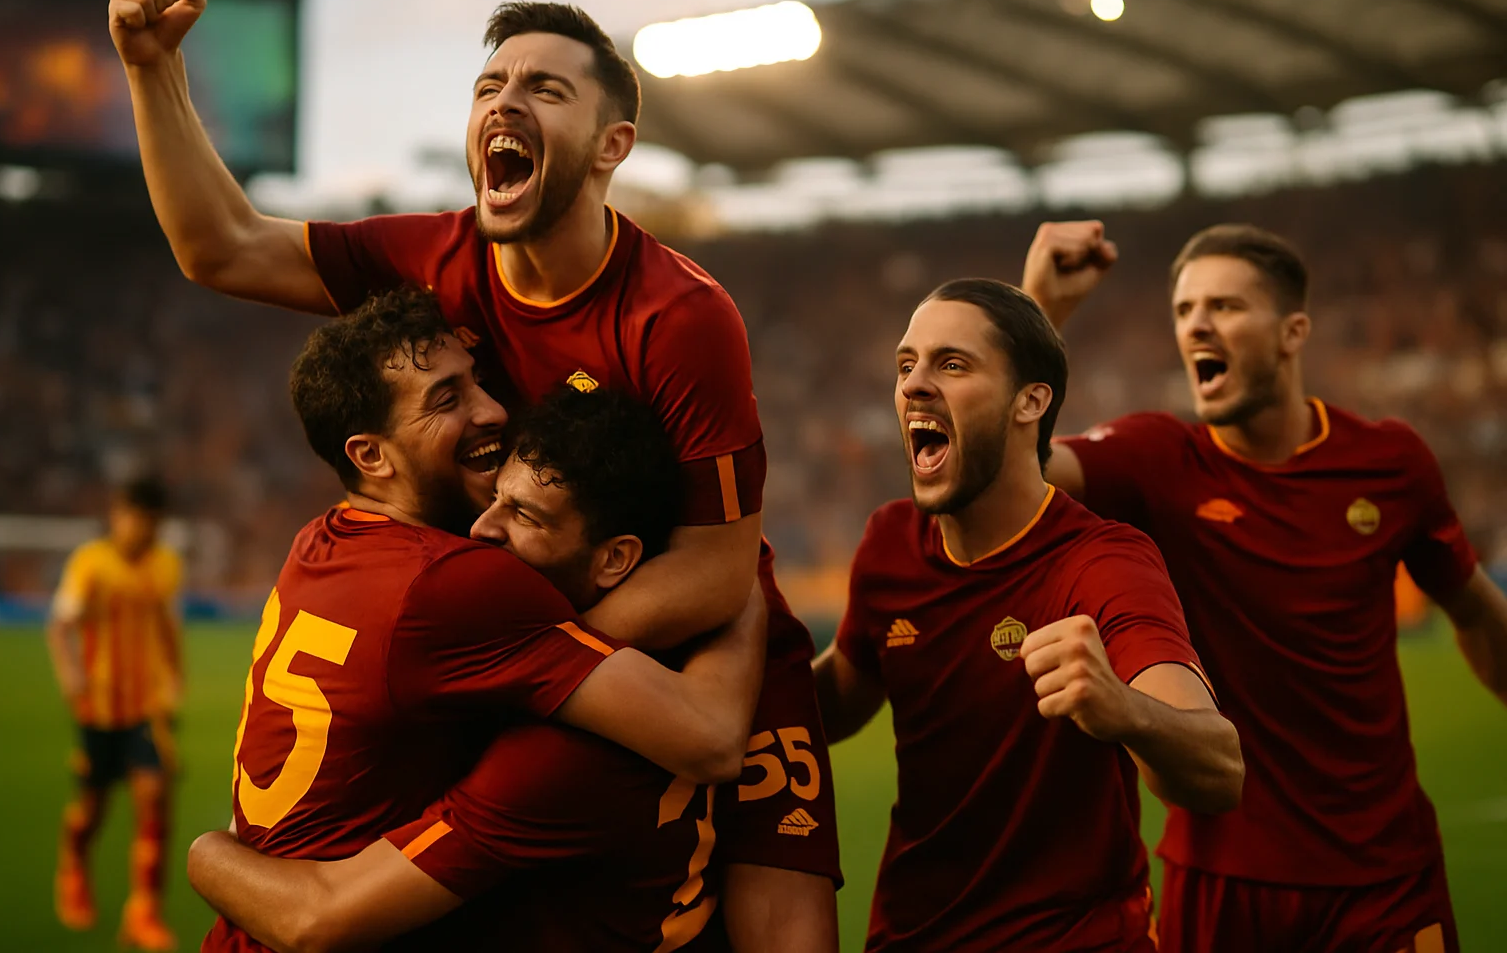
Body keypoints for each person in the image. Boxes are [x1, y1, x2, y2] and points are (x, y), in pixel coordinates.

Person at [111, 0, 838, 948]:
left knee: (777, 930)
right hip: (537, 657)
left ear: (611, 145)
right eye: (490, 86)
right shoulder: (432, 256)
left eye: (545, 88)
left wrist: (533, 659)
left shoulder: (682, 316)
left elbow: (716, 572)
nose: (506, 101)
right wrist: (154, 69)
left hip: (701, 649)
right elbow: (222, 246)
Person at [203, 289, 766, 952]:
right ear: (370, 456)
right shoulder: (457, 582)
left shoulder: (318, 544)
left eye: (477, 381)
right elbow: (707, 735)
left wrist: (212, 853)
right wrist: (738, 574)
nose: (493, 410)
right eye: (446, 400)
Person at [1024, 221, 1507, 953]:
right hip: (1220, 884)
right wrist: (1037, 310)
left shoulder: (1390, 462)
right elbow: (1011, 473)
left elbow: (1471, 606)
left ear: (1293, 332)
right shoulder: (1159, 459)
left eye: (1224, 306)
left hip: (1385, 881)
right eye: (1184, 310)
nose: (1196, 326)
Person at [812, 279, 1243, 952]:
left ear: (1030, 402)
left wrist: (1122, 709)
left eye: (951, 365)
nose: (915, 384)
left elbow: (1220, 768)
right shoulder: (889, 543)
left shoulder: (1100, 563)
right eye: (906, 365)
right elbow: (841, 691)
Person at [47, 477, 185, 950]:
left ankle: (144, 910)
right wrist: (69, 674)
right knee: (92, 809)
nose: (140, 528)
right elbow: (60, 626)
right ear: (118, 514)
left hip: (145, 708)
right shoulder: (90, 565)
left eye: (149, 520)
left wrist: (175, 679)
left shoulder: (165, 566)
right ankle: (73, 866)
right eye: (133, 516)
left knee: (154, 796)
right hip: (98, 710)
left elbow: (168, 626)